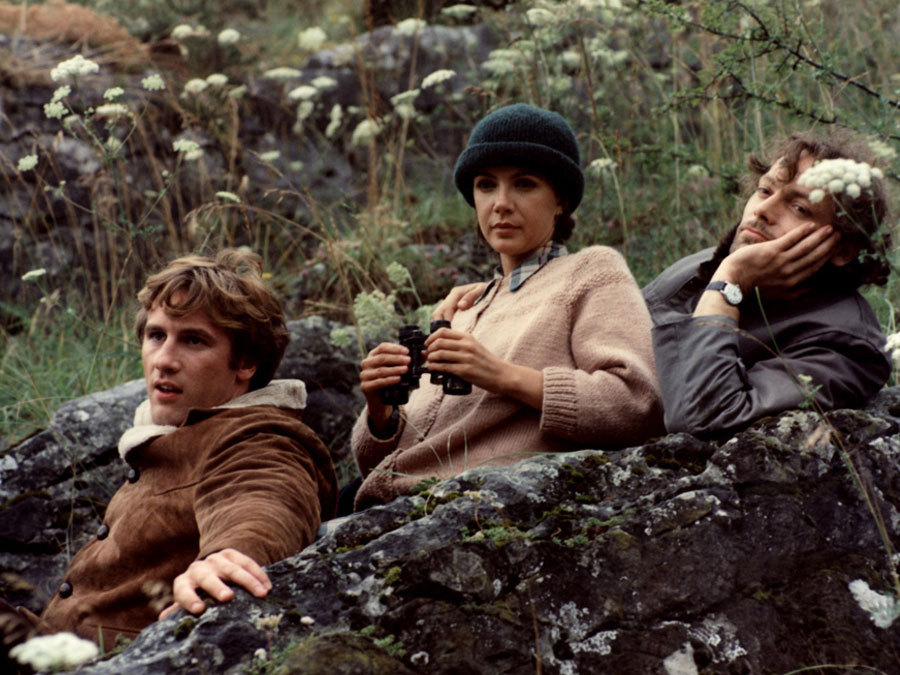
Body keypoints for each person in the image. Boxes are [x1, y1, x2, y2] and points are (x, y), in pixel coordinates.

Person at [438, 130, 892, 438]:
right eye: (765, 189)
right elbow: (607, 349)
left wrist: (729, 286)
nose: (762, 211)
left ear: (843, 248)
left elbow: (705, 415)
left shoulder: (845, 346)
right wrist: (500, 302)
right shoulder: (699, 267)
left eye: (800, 208)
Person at [350, 103, 664, 511]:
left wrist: (500, 375)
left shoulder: (590, 271)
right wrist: (380, 411)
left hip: (478, 511)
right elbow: (377, 466)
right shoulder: (462, 307)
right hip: (385, 512)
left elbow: (638, 405)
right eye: (485, 185)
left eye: (525, 184)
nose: (500, 203)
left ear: (561, 200)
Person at [21, 249, 337, 645]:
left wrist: (230, 556)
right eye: (156, 335)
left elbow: (265, 496)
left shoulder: (258, 435)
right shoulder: (169, 435)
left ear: (246, 363)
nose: (164, 360)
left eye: (193, 340)